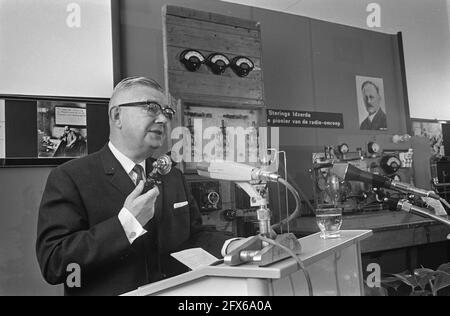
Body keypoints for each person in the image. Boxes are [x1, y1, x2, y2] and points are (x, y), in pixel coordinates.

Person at [36, 77, 224, 296]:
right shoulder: (69, 177)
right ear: (117, 116)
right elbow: (55, 265)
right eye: (151, 108)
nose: (163, 119)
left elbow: (195, 236)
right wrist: (126, 224)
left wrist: (237, 245)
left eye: (167, 112)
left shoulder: (173, 176)